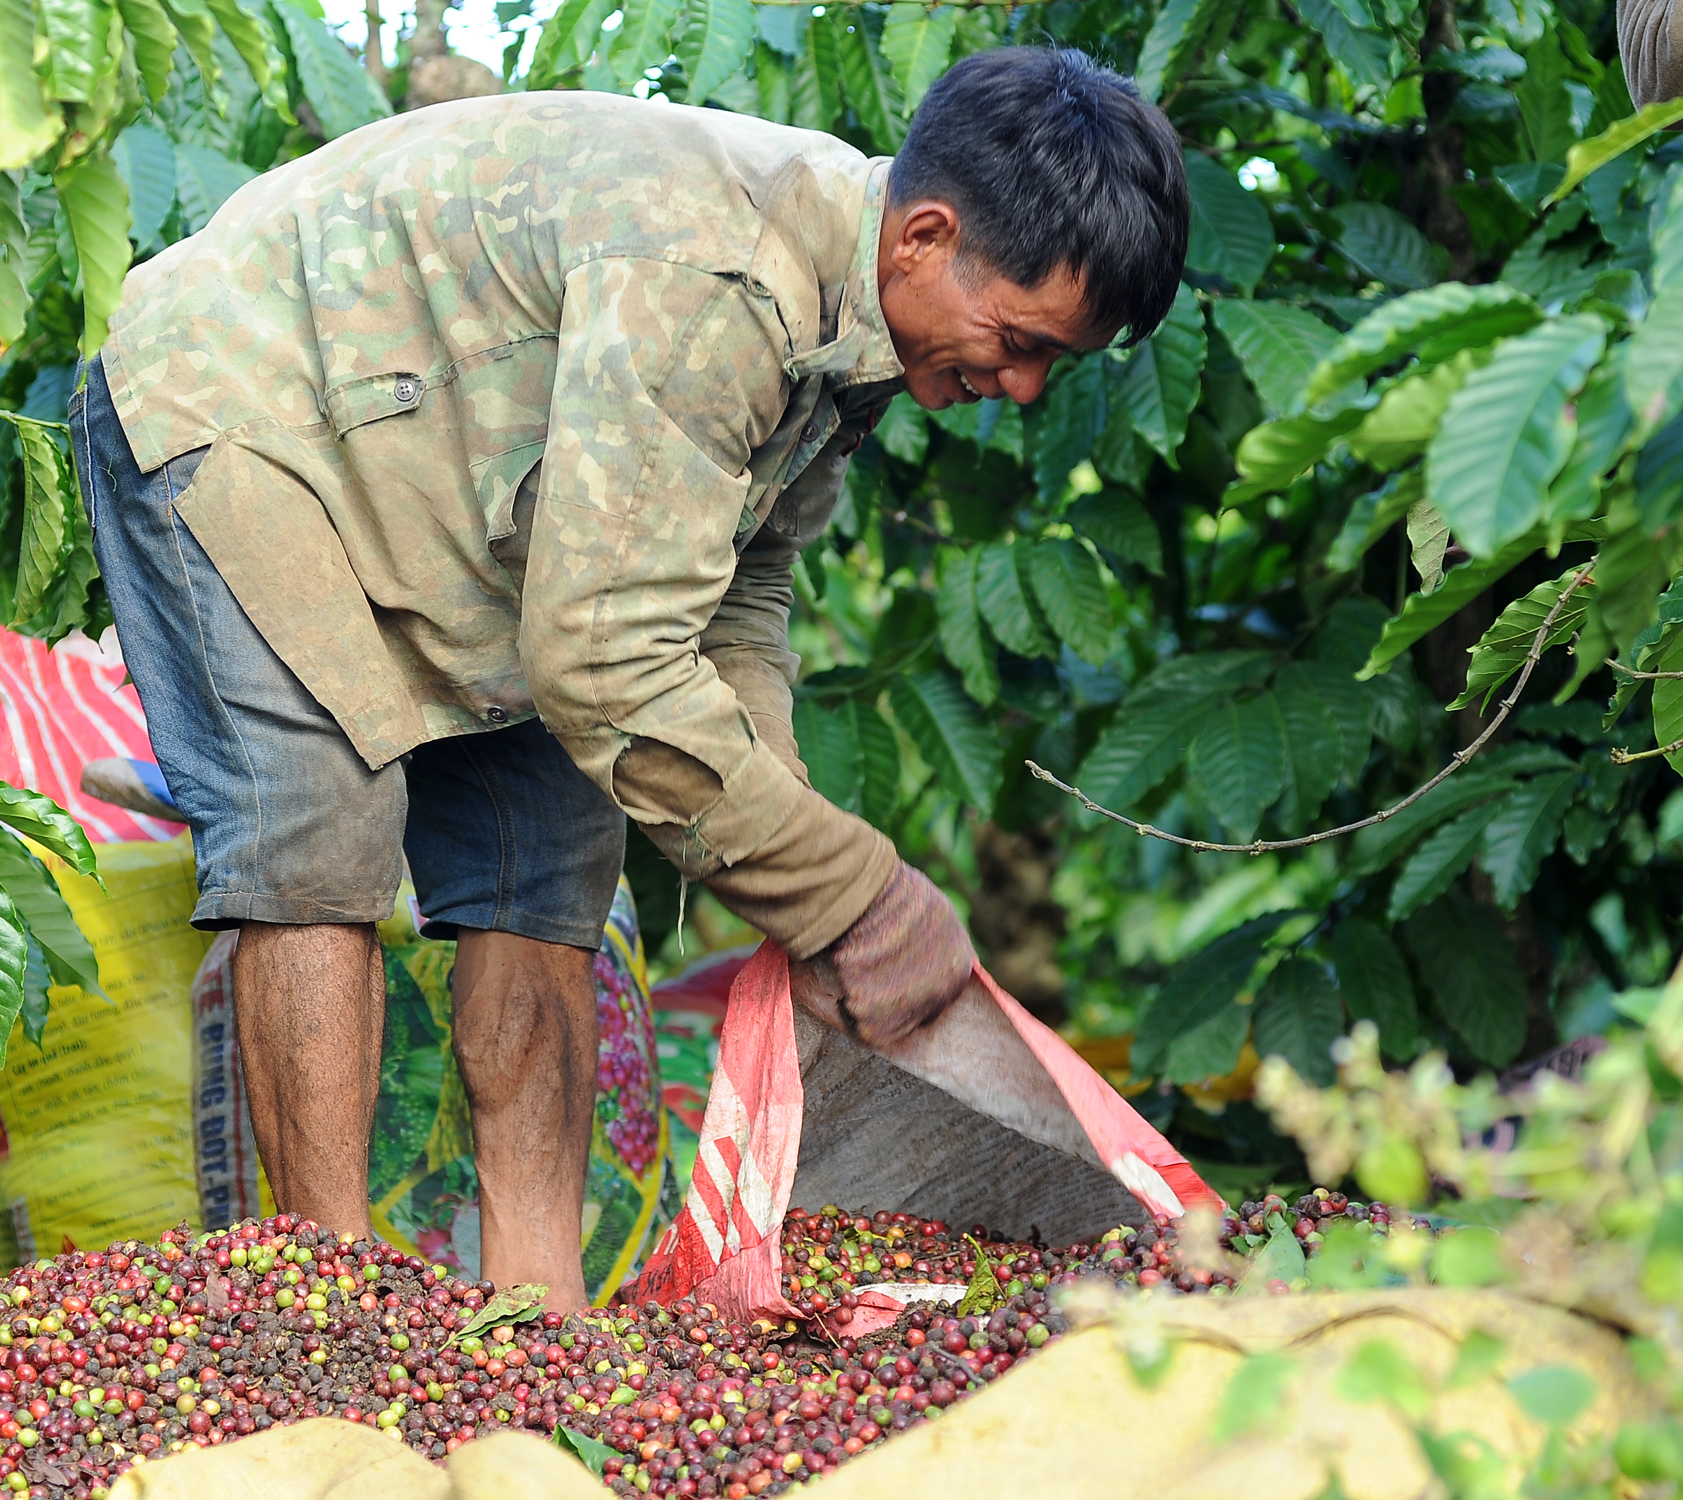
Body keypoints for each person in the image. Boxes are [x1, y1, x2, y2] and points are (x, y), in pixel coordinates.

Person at [70, 46, 1189, 1310]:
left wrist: (792, 858)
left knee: (548, 867)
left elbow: (731, 597)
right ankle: (331, 1313)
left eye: (1054, 363)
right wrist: (858, 899)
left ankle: (537, 1318)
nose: (1022, 388)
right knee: (317, 837)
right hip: (248, 408)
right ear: (924, 237)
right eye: (1019, 341)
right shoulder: (721, 284)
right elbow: (604, 659)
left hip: (478, 497)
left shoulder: (856, 325)